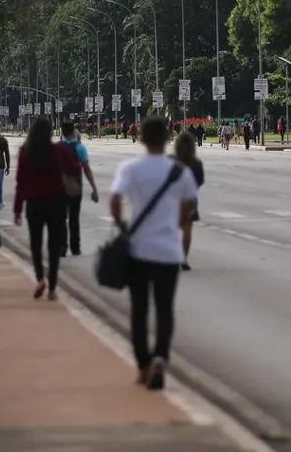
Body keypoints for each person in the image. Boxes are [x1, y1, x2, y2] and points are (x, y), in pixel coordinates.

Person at [109, 116, 198, 390]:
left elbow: (114, 201)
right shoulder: (180, 172)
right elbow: (187, 212)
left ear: (142, 138)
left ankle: (143, 363)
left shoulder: (130, 168)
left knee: (139, 309)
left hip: (138, 250)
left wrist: (123, 224)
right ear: (168, 137)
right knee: (164, 309)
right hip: (168, 251)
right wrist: (172, 224)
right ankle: (160, 357)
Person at [14, 117, 81, 300]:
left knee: (36, 245)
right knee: (54, 246)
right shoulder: (58, 150)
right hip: (56, 202)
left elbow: (20, 181)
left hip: (34, 203)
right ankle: (52, 288)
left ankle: (39, 279)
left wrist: (17, 208)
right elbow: (75, 168)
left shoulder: (25, 151)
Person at [59, 122, 99, 257]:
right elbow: (86, 169)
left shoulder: (56, 148)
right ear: (73, 132)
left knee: (60, 218)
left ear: (62, 132)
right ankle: (75, 247)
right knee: (74, 218)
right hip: (76, 186)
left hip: (60, 188)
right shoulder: (80, 147)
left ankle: (62, 247)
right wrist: (94, 188)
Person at [172, 130, 203, 271]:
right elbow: (200, 181)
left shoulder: (170, 160)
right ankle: (183, 257)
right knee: (187, 229)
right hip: (189, 199)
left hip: (170, 199)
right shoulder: (196, 163)